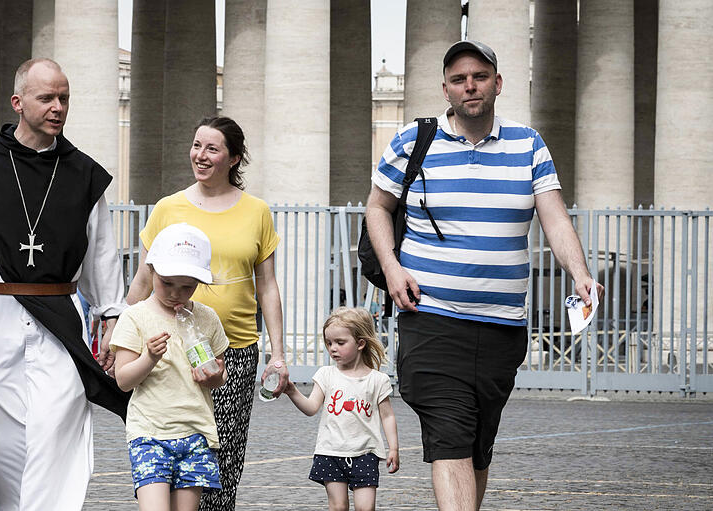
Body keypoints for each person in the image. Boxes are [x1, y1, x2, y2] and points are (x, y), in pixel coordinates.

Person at [365, 40, 604, 511]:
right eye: (458, 79)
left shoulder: (528, 144)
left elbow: (554, 217)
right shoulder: (415, 140)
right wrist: (392, 267)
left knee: (476, 441)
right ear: (446, 89)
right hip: (430, 316)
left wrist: (579, 272)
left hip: (502, 325)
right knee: (450, 432)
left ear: (498, 83)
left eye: (478, 76)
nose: (469, 86)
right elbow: (378, 206)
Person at [0, 58, 129, 510]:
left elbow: (102, 257)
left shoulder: (85, 174)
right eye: (47, 98)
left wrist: (112, 318)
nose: (58, 107)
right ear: (18, 103)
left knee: (58, 436)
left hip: (59, 324)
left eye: (64, 98)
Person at [126, 115, 287, 511]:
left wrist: (278, 352)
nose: (200, 155)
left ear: (233, 158)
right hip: (168, 350)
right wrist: (122, 333)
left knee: (223, 458)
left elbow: (266, 285)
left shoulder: (257, 211)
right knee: (168, 456)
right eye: (197, 145)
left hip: (234, 348)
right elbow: (143, 279)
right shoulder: (167, 208)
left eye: (212, 148)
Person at [112, 223, 229, 511]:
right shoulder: (135, 317)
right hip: (149, 433)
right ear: (151, 270)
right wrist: (149, 358)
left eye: (187, 286)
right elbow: (123, 380)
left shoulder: (206, 317)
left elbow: (220, 374)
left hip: (195, 432)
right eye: (167, 283)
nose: (176, 293)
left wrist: (214, 375)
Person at [283, 307, 399, 511]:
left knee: (366, 507)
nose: (332, 348)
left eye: (340, 342)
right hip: (330, 452)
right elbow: (311, 408)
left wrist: (394, 448)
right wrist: (292, 391)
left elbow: (387, 416)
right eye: (329, 343)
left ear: (361, 343)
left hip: (365, 453)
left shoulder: (377, 380)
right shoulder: (326, 375)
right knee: (338, 506)